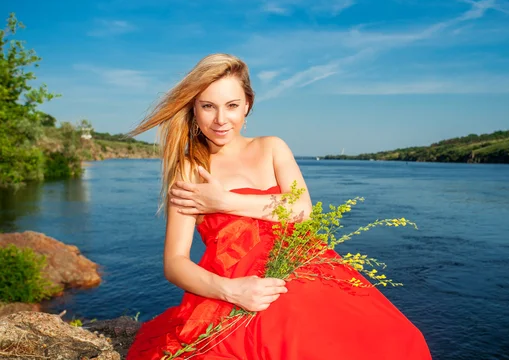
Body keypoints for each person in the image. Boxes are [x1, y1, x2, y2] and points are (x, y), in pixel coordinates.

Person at [125, 53, 432, 359]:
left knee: (400, 340)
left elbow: (302, 208)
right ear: (194, 108)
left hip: (307, 267)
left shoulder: (271, 147)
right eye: (208, 106)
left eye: (232, 105)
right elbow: (174, 263)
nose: (220, 119)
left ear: (247, 105)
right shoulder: (190, 169)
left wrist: (225, 201)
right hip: (244, 285)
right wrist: (232, 292)